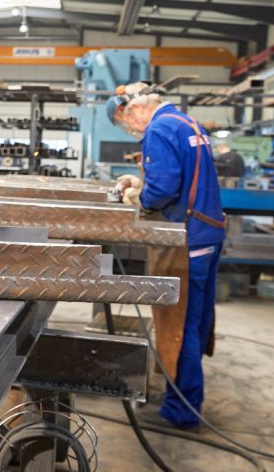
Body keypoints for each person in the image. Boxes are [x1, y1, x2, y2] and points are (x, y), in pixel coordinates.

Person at [107, 82, 226, 431]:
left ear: (136, 108)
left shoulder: (158, 130)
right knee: (195, 321)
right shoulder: (187, 123)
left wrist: (140, 199)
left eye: (128, 123)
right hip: (207, 233)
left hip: (185, 241)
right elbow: (181, 178)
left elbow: (162, 190)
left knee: (179, 325)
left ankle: (181, 410)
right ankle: (185, 396)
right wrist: (142, 184)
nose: (133, 130)